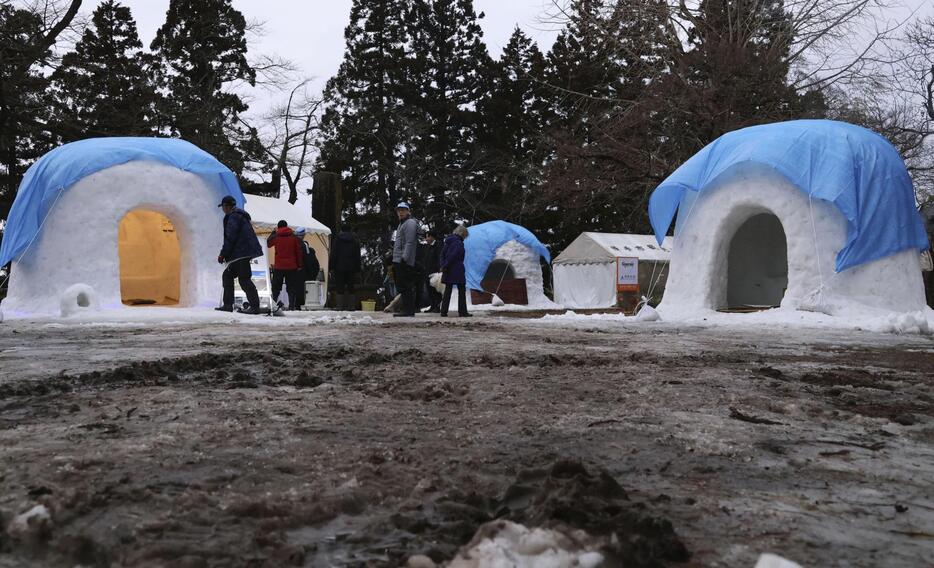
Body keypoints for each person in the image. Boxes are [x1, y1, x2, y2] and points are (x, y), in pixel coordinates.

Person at [216, 195, 262, 314]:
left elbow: (230, 237)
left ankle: (254, 307)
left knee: (244, 279)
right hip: (243, 252)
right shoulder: (239, 215)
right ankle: (228, 305)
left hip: (241, 252)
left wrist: (223, 254)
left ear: (227, 206)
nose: (223, 210)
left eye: (223, 207)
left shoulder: (233, 217)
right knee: (229, 276)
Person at [267, 220, 304, 310]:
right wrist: (299, 265)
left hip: (279, 266)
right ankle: (291, 306)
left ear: (278, 227)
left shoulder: (276, 237)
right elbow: (298, 252)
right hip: (292, 266)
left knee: (276, 287)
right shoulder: (294, 237)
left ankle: (274, 304)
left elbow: (268, 244)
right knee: (291, 287)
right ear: (287, 226)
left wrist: (272, 233)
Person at [392, 202, 419, 317]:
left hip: (404, 260)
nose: (400, 212)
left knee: (406, 286)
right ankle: (407, 309)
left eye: (403, 210)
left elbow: (410, 242)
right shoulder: (402, 224)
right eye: (399, 210)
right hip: (399, 259)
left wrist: (404, 258)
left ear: (408, 211)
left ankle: (408, 310)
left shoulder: (409, 223)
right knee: (402, 286)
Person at [440, 224, 470, 318]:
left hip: (448, 269)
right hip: (457, 269)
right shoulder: (458, 243)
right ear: (462, 234)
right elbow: (453, 255)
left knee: (448, 290)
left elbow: (442, 255)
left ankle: (443, 311)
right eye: (465, 235)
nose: (465, 238)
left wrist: (444, 265)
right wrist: (447, 264)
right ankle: (463, 312)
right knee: (461, 290)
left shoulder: (448, 241)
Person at [329, 224, 361, 310]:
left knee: (340, 286)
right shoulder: (355, 240)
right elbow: (357, 256)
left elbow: (334, 254)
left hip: (339, 267)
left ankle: (340, 306)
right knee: (351, 286)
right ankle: (351, 306)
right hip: (351, 267)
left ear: (341, 230)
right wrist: (358, 268)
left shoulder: (337, 240)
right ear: (350, 230)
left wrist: (331, 266)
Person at [294, 227, 321, 309]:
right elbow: (310, 261)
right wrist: (312, 274)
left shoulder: (292, 243)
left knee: (294, 288)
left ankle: (294, 304)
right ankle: (298, 304)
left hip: (293, 270)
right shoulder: (305, 246)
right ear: (303, 235)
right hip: (302, 270)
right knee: (301, 289)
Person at [422, 229, 442, 312]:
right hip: (427, 271)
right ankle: (432, 305)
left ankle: (437, 306)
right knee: (429, 289)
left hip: (435, 271)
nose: (426, 239)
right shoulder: (427, 247)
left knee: (436, 290)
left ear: (432, 237)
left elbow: (439, 258)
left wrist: (439, 268)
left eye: (428, 237)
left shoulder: (438, 246)